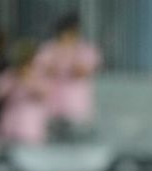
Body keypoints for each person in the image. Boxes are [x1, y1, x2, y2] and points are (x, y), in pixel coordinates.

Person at [34, 12, 101, 140]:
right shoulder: (49, 48)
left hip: (76, 106)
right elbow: (41, 69)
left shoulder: (84, 49)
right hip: (52, 106)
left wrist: (69, 58)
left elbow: (83, 71)